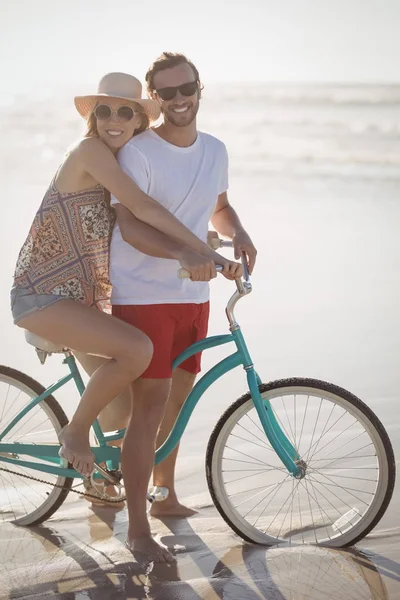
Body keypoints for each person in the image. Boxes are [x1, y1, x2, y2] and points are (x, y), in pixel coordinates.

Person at [10, 71, 242, 483]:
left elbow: (140, 217)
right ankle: (74, 431)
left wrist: (206, 238)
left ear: (139, 119)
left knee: (121, 411)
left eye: (123, 111)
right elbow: (145, 208)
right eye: (103, 111)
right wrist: (202, 253)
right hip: (42, 295)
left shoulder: (121, 161)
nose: (112, 119)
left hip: (81, 300)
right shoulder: (90, 151)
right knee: (139, 351)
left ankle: (99, 482)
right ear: (93, 118)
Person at [76, 53, 257, 563]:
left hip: (194, 295)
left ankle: (165, 494)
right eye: (168, 93)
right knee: (149, 408)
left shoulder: (216, 149)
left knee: (178, 400)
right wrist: (185, 252)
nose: (180, 100)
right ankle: (136, 528)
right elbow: (131, 226)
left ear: (200, 89)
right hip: (144, 293)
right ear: (153, 99)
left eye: (187, 90)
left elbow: (217, 206)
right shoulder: (139, 152)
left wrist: (237, 233)